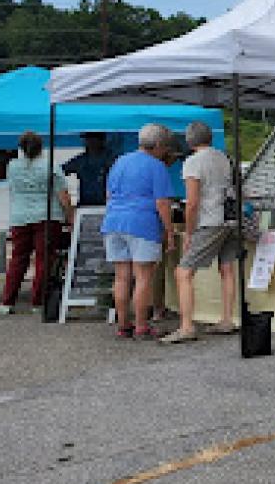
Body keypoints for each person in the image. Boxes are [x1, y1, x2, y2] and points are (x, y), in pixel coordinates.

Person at [161, 121, 239, 343]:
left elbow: (193, 202)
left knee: (183, 272)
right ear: (210, 138)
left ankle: (186, 326)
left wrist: (188, 232)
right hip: (231, 219)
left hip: (210, 219)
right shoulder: (224, 158)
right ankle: (226, 319)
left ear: (189, 140)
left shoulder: (193, 163)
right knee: (227, 269)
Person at [102, 123, 177, 339]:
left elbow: (108, 195)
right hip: (142, 224)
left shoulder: (120, 161)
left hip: (114, 222)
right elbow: (162, 203)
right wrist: (169, 231)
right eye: (166, 147)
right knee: (143, 277)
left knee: (121, 277)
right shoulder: (157, 166)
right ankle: (142, 325)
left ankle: (123, 325)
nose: (166, 152)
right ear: (159, 145)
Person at [0, 131, 74, 315]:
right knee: (43, 259)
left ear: (21, 148)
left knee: (18, 259)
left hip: (19, 217)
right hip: (47, 216)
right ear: (41, 146)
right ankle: (38, 301)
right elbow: (63, 195)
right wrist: (70, 216)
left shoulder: (12, 166)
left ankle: (7, 302)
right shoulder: (51, 165)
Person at [62, 132, 115, 207]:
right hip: (85, 204)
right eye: (87, 139)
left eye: (93, 139)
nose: (89, 141)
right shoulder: (80, 160)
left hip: (106, 204)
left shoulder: (111, 159)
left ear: (102, 140)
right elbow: (60, 172)